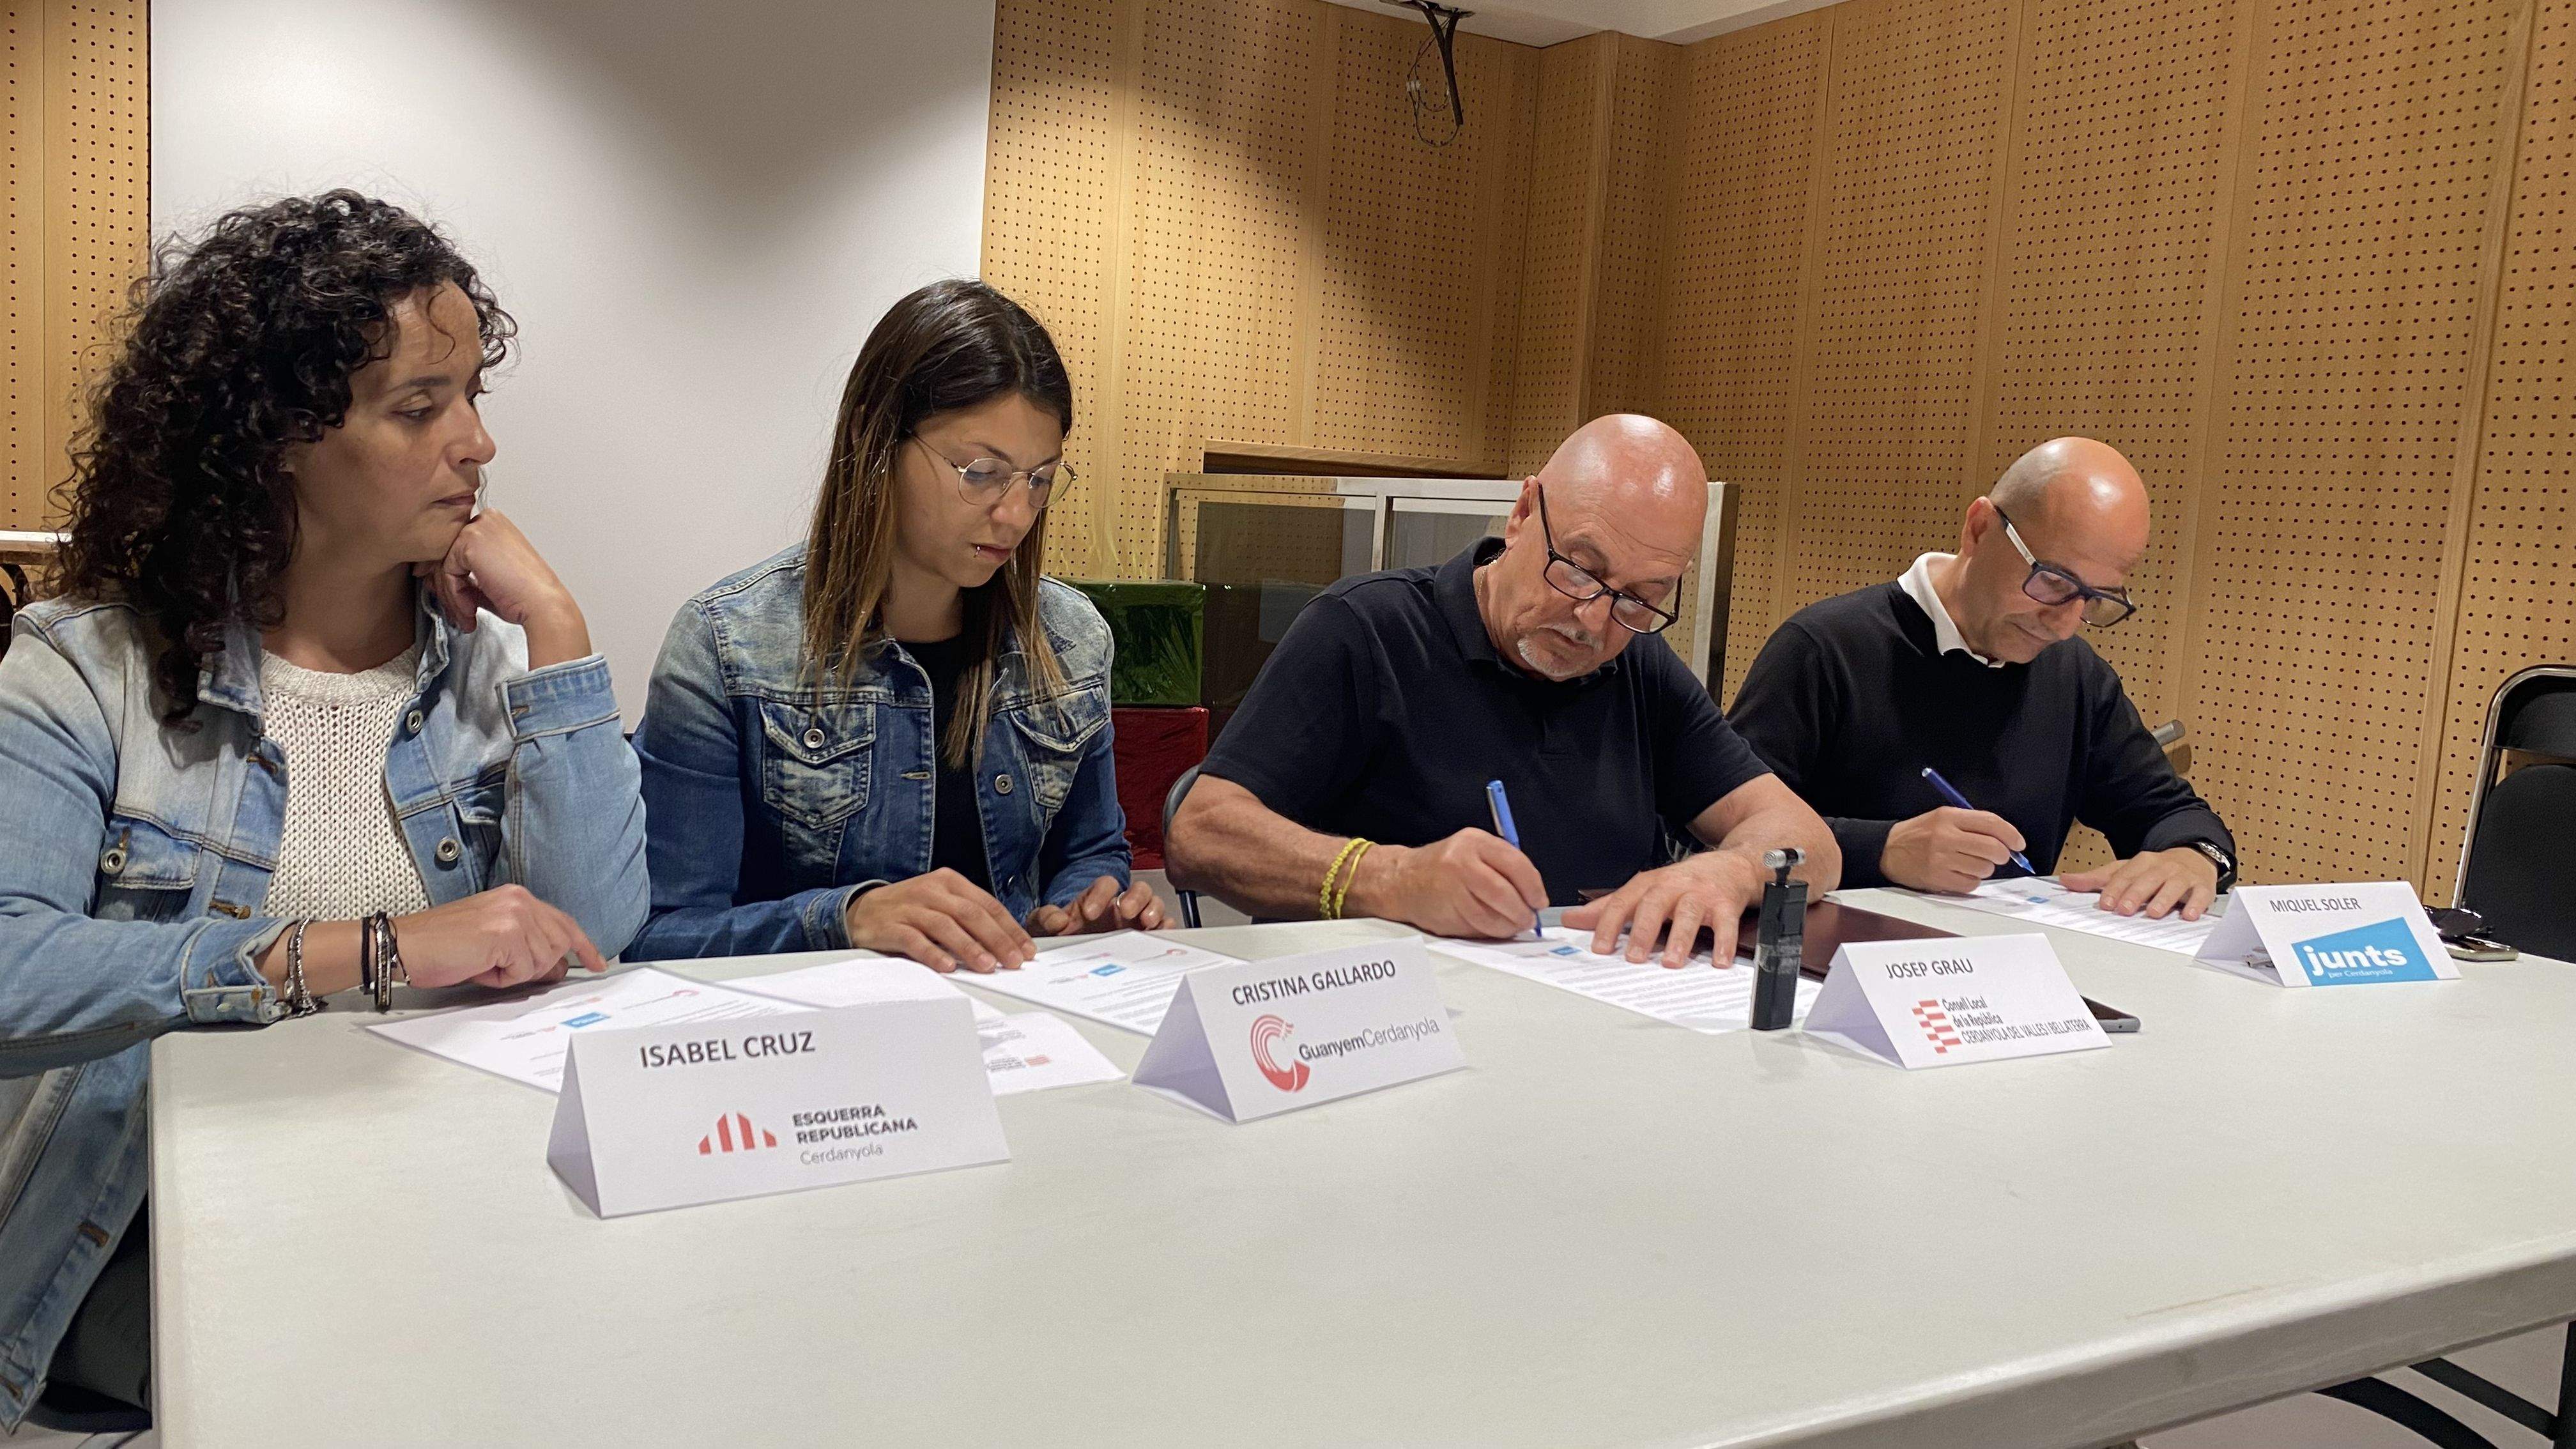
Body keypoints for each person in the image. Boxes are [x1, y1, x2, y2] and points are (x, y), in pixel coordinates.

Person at [0, 191, 648, 1427]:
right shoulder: (90, 670)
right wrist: (369, 951)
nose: (477, 445)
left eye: (473, 397)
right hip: (127, 1292)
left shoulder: (479, 681)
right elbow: (10, 968)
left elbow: (592, 939)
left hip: (427, 1253)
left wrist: (558, 634)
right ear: (273, 440)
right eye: (421, 406)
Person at [1166, 414, 1839, 967]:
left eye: (1640, 598)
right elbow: (1202, 834)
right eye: (1579, 569)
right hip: (1380, 1031)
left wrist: (1730, 872)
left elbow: (1807, 837)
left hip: (1587, 1024)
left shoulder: (1639, 666)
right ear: (1522, 513)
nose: (1593, 621)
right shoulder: (1367, 632)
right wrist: (1392, 879)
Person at [629, 279, 1159, 972]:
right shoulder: (728, 644)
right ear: (874, 439)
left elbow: (1090, 853)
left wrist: (1085, 911)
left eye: (1039, 479)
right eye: (982, 473)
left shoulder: (1071, 639)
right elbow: (660, 934)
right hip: (808, 1047)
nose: (1016, 515)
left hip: (1015, 1036)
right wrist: (847, 919)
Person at [1729, 436, 2236, 921]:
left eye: (2097, 599)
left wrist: (2193, 857)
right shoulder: (1825, 650)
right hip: (1835, 968)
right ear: (1978, 529)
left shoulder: (2077, 677)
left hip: (2002, 980)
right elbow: (1724, 831)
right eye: (2054, 582)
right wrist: (1881, 850)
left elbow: (2171, 812)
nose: (2063, 625)